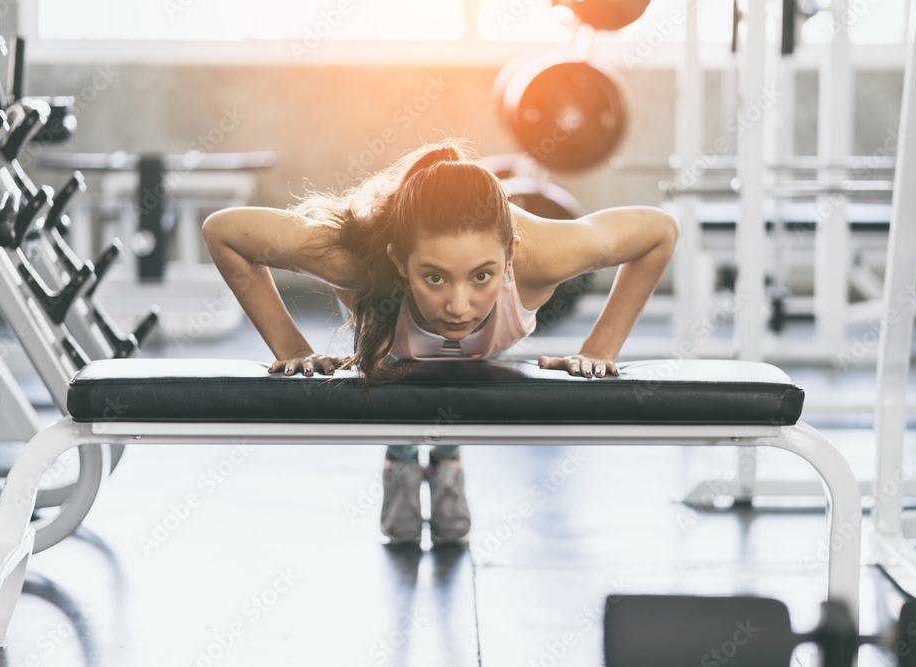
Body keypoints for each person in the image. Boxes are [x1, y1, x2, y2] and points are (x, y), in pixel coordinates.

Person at [202, 140, 679, 546]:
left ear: (510, 256)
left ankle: (447, 457)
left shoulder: (544, 253)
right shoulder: (355, 259)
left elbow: (659, 232)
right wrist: (292, 349)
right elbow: (223, 231)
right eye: (433, 277)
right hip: (394, 349)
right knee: (401, 369)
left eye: (482, 277)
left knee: (457, 379)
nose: (458, 305)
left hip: (474, 351)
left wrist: (601, 348)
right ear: (398, 260)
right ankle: (402, 457)